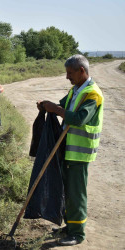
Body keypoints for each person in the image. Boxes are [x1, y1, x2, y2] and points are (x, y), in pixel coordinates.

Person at [37, 54, 104, 246]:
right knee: (67, 191)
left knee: (76, 193)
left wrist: (55, 110)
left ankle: (78, 233)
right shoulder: (76, 90)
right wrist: (46, 106)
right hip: (68, 150)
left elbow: (79, 118)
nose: (67, 77)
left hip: (80, 153)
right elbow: (61, 105)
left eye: (70, 73)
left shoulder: (93, 94)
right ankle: (70, 226)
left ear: (82, 71)